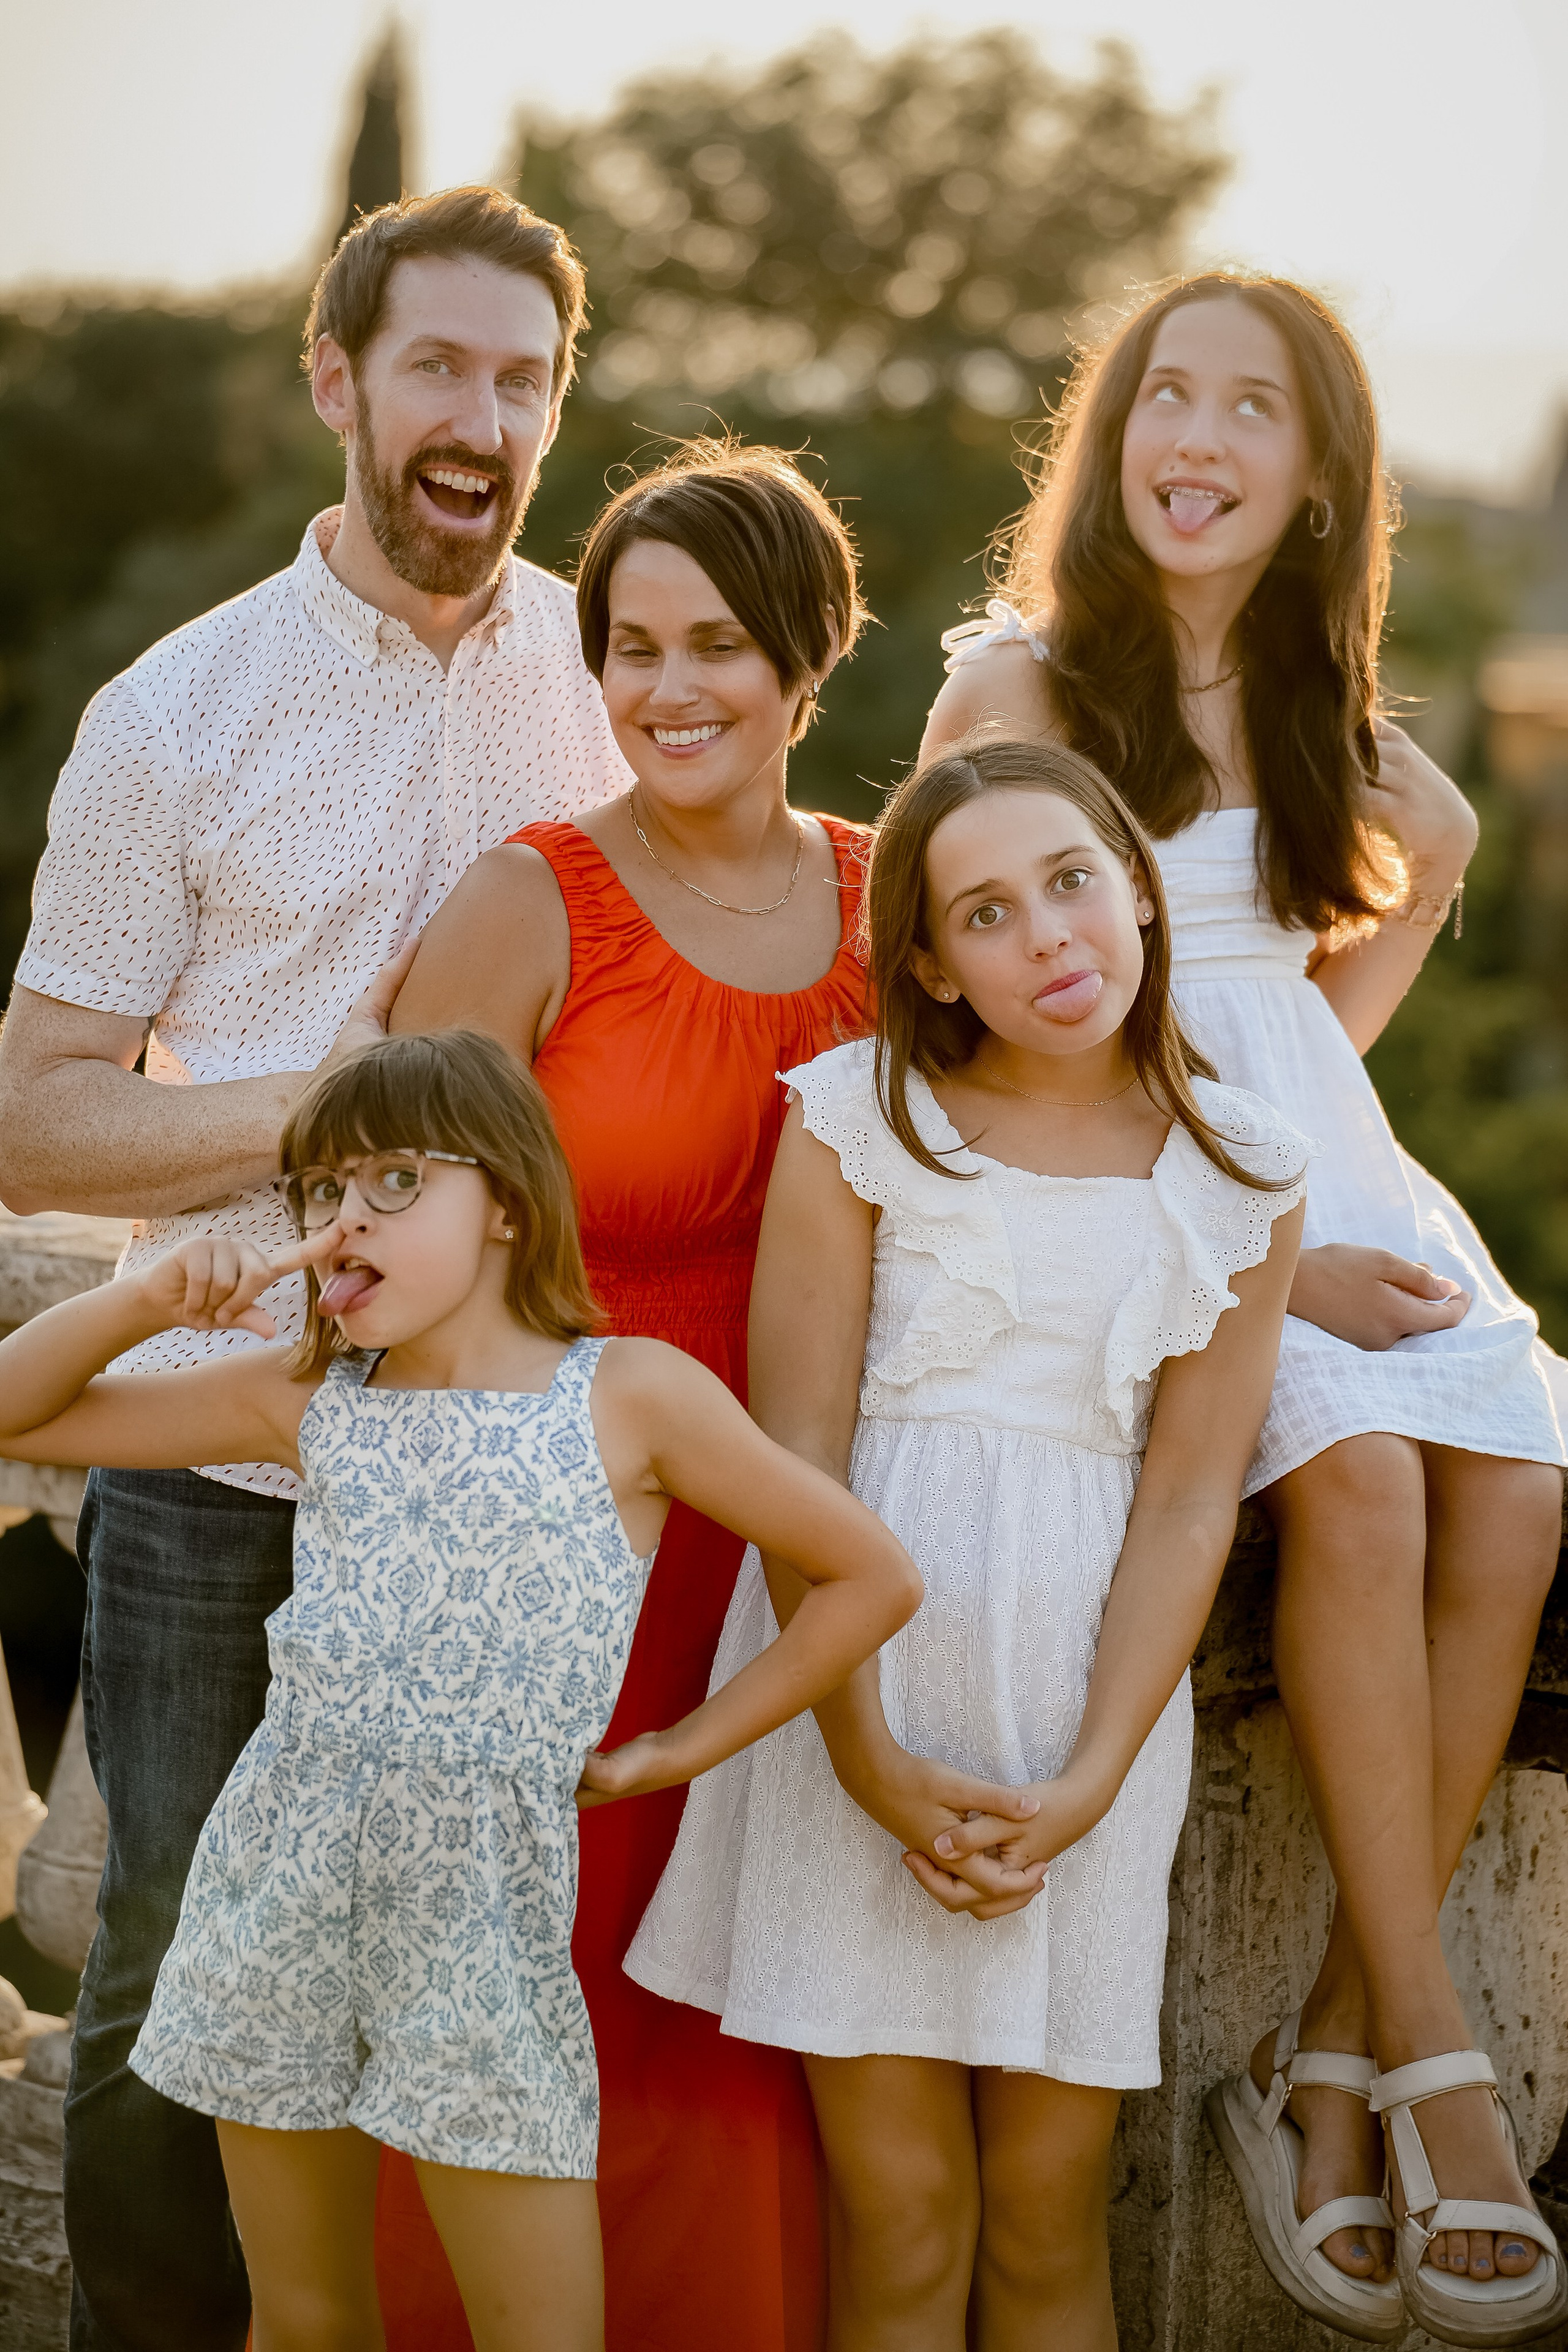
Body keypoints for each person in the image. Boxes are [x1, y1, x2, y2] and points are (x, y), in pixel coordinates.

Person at [0, 185, 627, 2351]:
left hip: (506, 1469)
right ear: (338, 381)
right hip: (230, 1465)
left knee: (492, 1968)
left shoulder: (618, 677)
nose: (482, 415)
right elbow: (36, 1111)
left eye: (524, 378)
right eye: (437, 366)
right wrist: (340, 1125)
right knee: (174, 1952)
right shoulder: (174, 714)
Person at [922, 271, 1568, 2345]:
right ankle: (1433, 2063)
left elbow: (1292, 1001)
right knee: (1363, 1485)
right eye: (1163, 398)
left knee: (1520, 1495)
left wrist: (1439, 853)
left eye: (1251, 410)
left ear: (1314, 479)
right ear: (1113, 447)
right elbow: (991, 1045)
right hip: (1142, 1215)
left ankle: (1325, 2052)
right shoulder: (1024, 687)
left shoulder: (1316, 709)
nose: (1197, 438)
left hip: (1318, 1157)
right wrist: (1280, 1255)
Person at [388, 438, 1035, 2351]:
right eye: (632, 646)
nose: (670, 688)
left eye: (719, 646)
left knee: (750, 2023)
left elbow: (1042, 1147)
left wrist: (1290, 1258)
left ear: (810, 663)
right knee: (534, 2009)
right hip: (561, 1547)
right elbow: (398, 1236)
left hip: (807, 1534)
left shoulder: (888, 902)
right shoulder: (530, 903)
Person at [0, 1028, 923, 2352]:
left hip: (480, 1924)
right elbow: (15, 1415)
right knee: (306, 2320)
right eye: (321, 1192)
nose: (341, 1219)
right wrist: (141, 1305)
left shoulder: (631, 1397)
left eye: (390, 1183)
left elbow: (869, 1577)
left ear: (502, 1200)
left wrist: (678, 1750)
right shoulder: (306, 1395)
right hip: (279, 1889)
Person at [626, 736, 1306, 2349]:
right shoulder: (865, 1121)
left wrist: (1085, 1783)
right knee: (906, 2216)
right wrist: (857, 1751)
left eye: (1072, 880)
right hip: (846, 1709)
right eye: (986, 913)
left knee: (1050, 2220)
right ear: (930, 959)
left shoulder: (1244, 1169)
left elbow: (1191, 1499)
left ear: (1136, 888)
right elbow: (792, 1455)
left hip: (1084, 1725)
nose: (1049, 937)